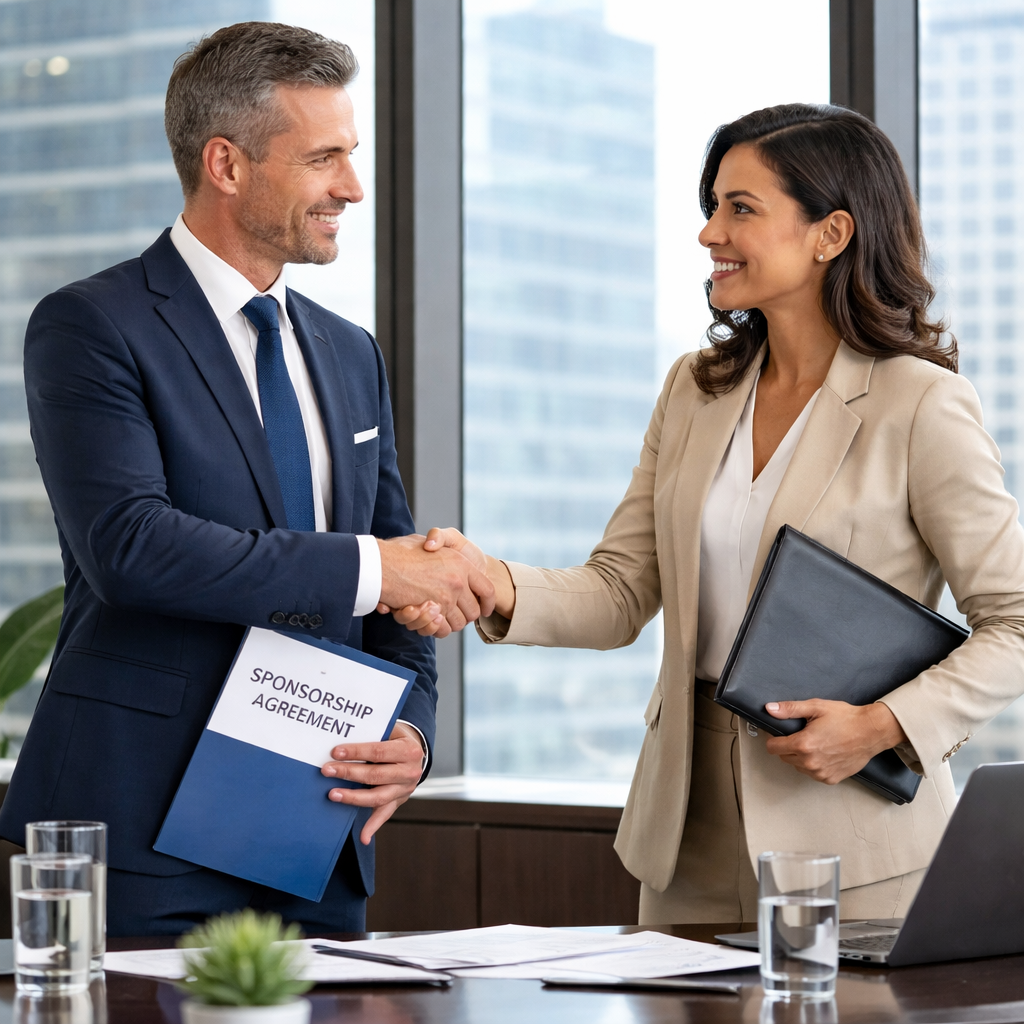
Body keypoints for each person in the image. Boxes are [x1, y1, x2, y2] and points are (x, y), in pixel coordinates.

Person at [390, 103, 1024, 924]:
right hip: (683, 827)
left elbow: (1013, 620)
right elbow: (622, 590)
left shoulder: (922, 403)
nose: (709, 233)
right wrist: (491, 581)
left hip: (853, 840)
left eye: (741, 209)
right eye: (711, 207)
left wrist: (879, 726)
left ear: (831, 233)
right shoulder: (697, 388)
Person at [0, 22, 493, 936]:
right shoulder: (90, 326)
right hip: (139, 823)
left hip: (314, 820)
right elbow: (132, 548)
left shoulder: (350, 354)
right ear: (226, 164)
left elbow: (399, 575)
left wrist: (412, 736)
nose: (352, 184)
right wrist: (384, 571)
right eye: (324, 158)